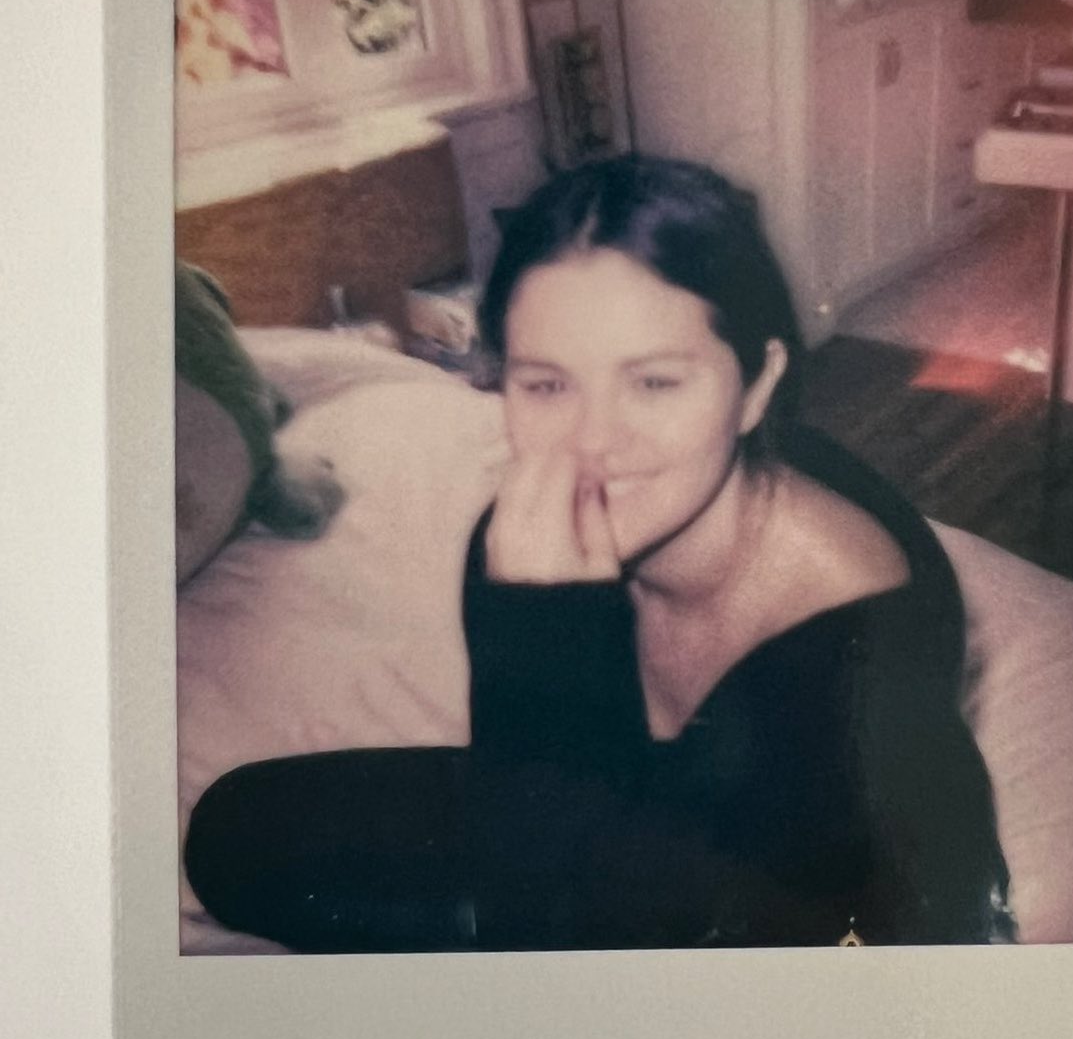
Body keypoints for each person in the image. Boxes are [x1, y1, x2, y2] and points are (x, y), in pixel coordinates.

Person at [184, 157, 1016, 951]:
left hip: (785, 908)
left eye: (654, 382)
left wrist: (552, 635)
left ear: (757, 387)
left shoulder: (862, 651)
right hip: (603, 818)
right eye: (547, 384)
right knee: (237, 834)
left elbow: (590, 954)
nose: (591, 442)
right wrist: (540, 639)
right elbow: (541, 808)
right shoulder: (524, 542)